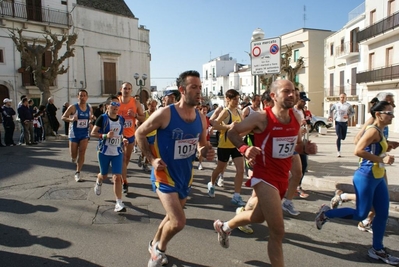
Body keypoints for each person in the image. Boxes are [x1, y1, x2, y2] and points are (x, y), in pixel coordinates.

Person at [213, 80, 317, 267]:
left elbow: (296, 144)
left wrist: (305, 148)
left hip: (282, 178)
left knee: (258, 217)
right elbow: (233, 133)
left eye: (294, 91)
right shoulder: (262, 118)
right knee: (277, 231)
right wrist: (244, 148)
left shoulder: (296, 116)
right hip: (264, 177)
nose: (292, 95)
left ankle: (225, 226)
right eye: (286, 91)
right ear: (273, 96)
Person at [136, 70, 214, 267]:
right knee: (178, 221)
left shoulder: (201, 118)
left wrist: (205, 151)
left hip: (185, 176)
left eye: (200, 87)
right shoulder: (165, 113)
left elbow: (201, 145)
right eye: (193, 87)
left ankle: (153, 243)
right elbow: (139, 133)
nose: (199, 92)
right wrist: (151, 159)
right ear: (182, 90)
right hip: (164, 175)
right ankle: (158, 251)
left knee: (171, 217)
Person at [315, 100, 398, 266]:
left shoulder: (380, 131)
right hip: (366, 176)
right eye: (388, 113)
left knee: (382, 213)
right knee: (361, 213)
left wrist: (388, 145)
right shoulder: (373, 131)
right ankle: (326, 213)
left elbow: (372, 149)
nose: (392, 116)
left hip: (378, 176)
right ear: (378, 114)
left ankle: (377, 249)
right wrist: (382, 158)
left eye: (392, 112)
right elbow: (357, 150)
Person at [208, 89, 246, 206]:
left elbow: (243, 127)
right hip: (224, 145)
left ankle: (236, 195)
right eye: (234, 99)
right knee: (220, 168)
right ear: (228, 99)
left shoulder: (239, 112)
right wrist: (229, 126)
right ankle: (211, 184)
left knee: (240, 169)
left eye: (238, 99)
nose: (237, 101)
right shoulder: (226, 112)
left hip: (236, 145)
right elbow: (215, 125)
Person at [91, 95, 127, 212]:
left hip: (117, 152)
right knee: (104, 175)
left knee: (117, 177)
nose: (116, 107)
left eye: (118, 104)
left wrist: (124, 139)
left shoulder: (121, 119)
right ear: (107, 106)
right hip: (104, 152)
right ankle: (99, 180)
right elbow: (93, 133)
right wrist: (105, 136)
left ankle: (119, 203)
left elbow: (121, 134)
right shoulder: (102, 118)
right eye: (113, 104)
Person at [118, 82, 145, 194]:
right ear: (121, 89)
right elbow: (107, 115)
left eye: (129, 89)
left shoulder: (136, 103)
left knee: (127, 158)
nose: (127, 90)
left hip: (130, 135)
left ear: (131, 90)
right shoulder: (116, 101)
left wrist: (135, 116)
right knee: (123, 158)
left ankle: (122, 173)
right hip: (118, 135)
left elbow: (143, 118)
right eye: (125, 88)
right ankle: (124, 182)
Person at [61, 89, 93, 182]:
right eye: (81, 96)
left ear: (87, 97)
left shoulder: (89, 107)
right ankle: (74, 158)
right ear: (78, 97)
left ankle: (78, 172)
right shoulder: (73, 107)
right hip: (74, 134)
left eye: (84, 95)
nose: (82, 97)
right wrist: (71, 120)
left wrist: (91, 120)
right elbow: (63, 117)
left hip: (84, 133)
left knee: (82, 152)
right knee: (74, 154)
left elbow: (91, 117)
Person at [329, 93, 355, 157]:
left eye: (343, 97)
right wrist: (330, 116)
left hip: (344, 122)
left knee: (343, 137)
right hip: (338, 122)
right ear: (339, 98)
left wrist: (348, 116)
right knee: (339, 137)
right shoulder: (336, 104)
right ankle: (338, 151)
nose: (342, 99)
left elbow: (353, 112)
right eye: (341, 97)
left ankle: (341, 138)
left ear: (345, 98)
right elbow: (331, 109)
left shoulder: (348, 105)